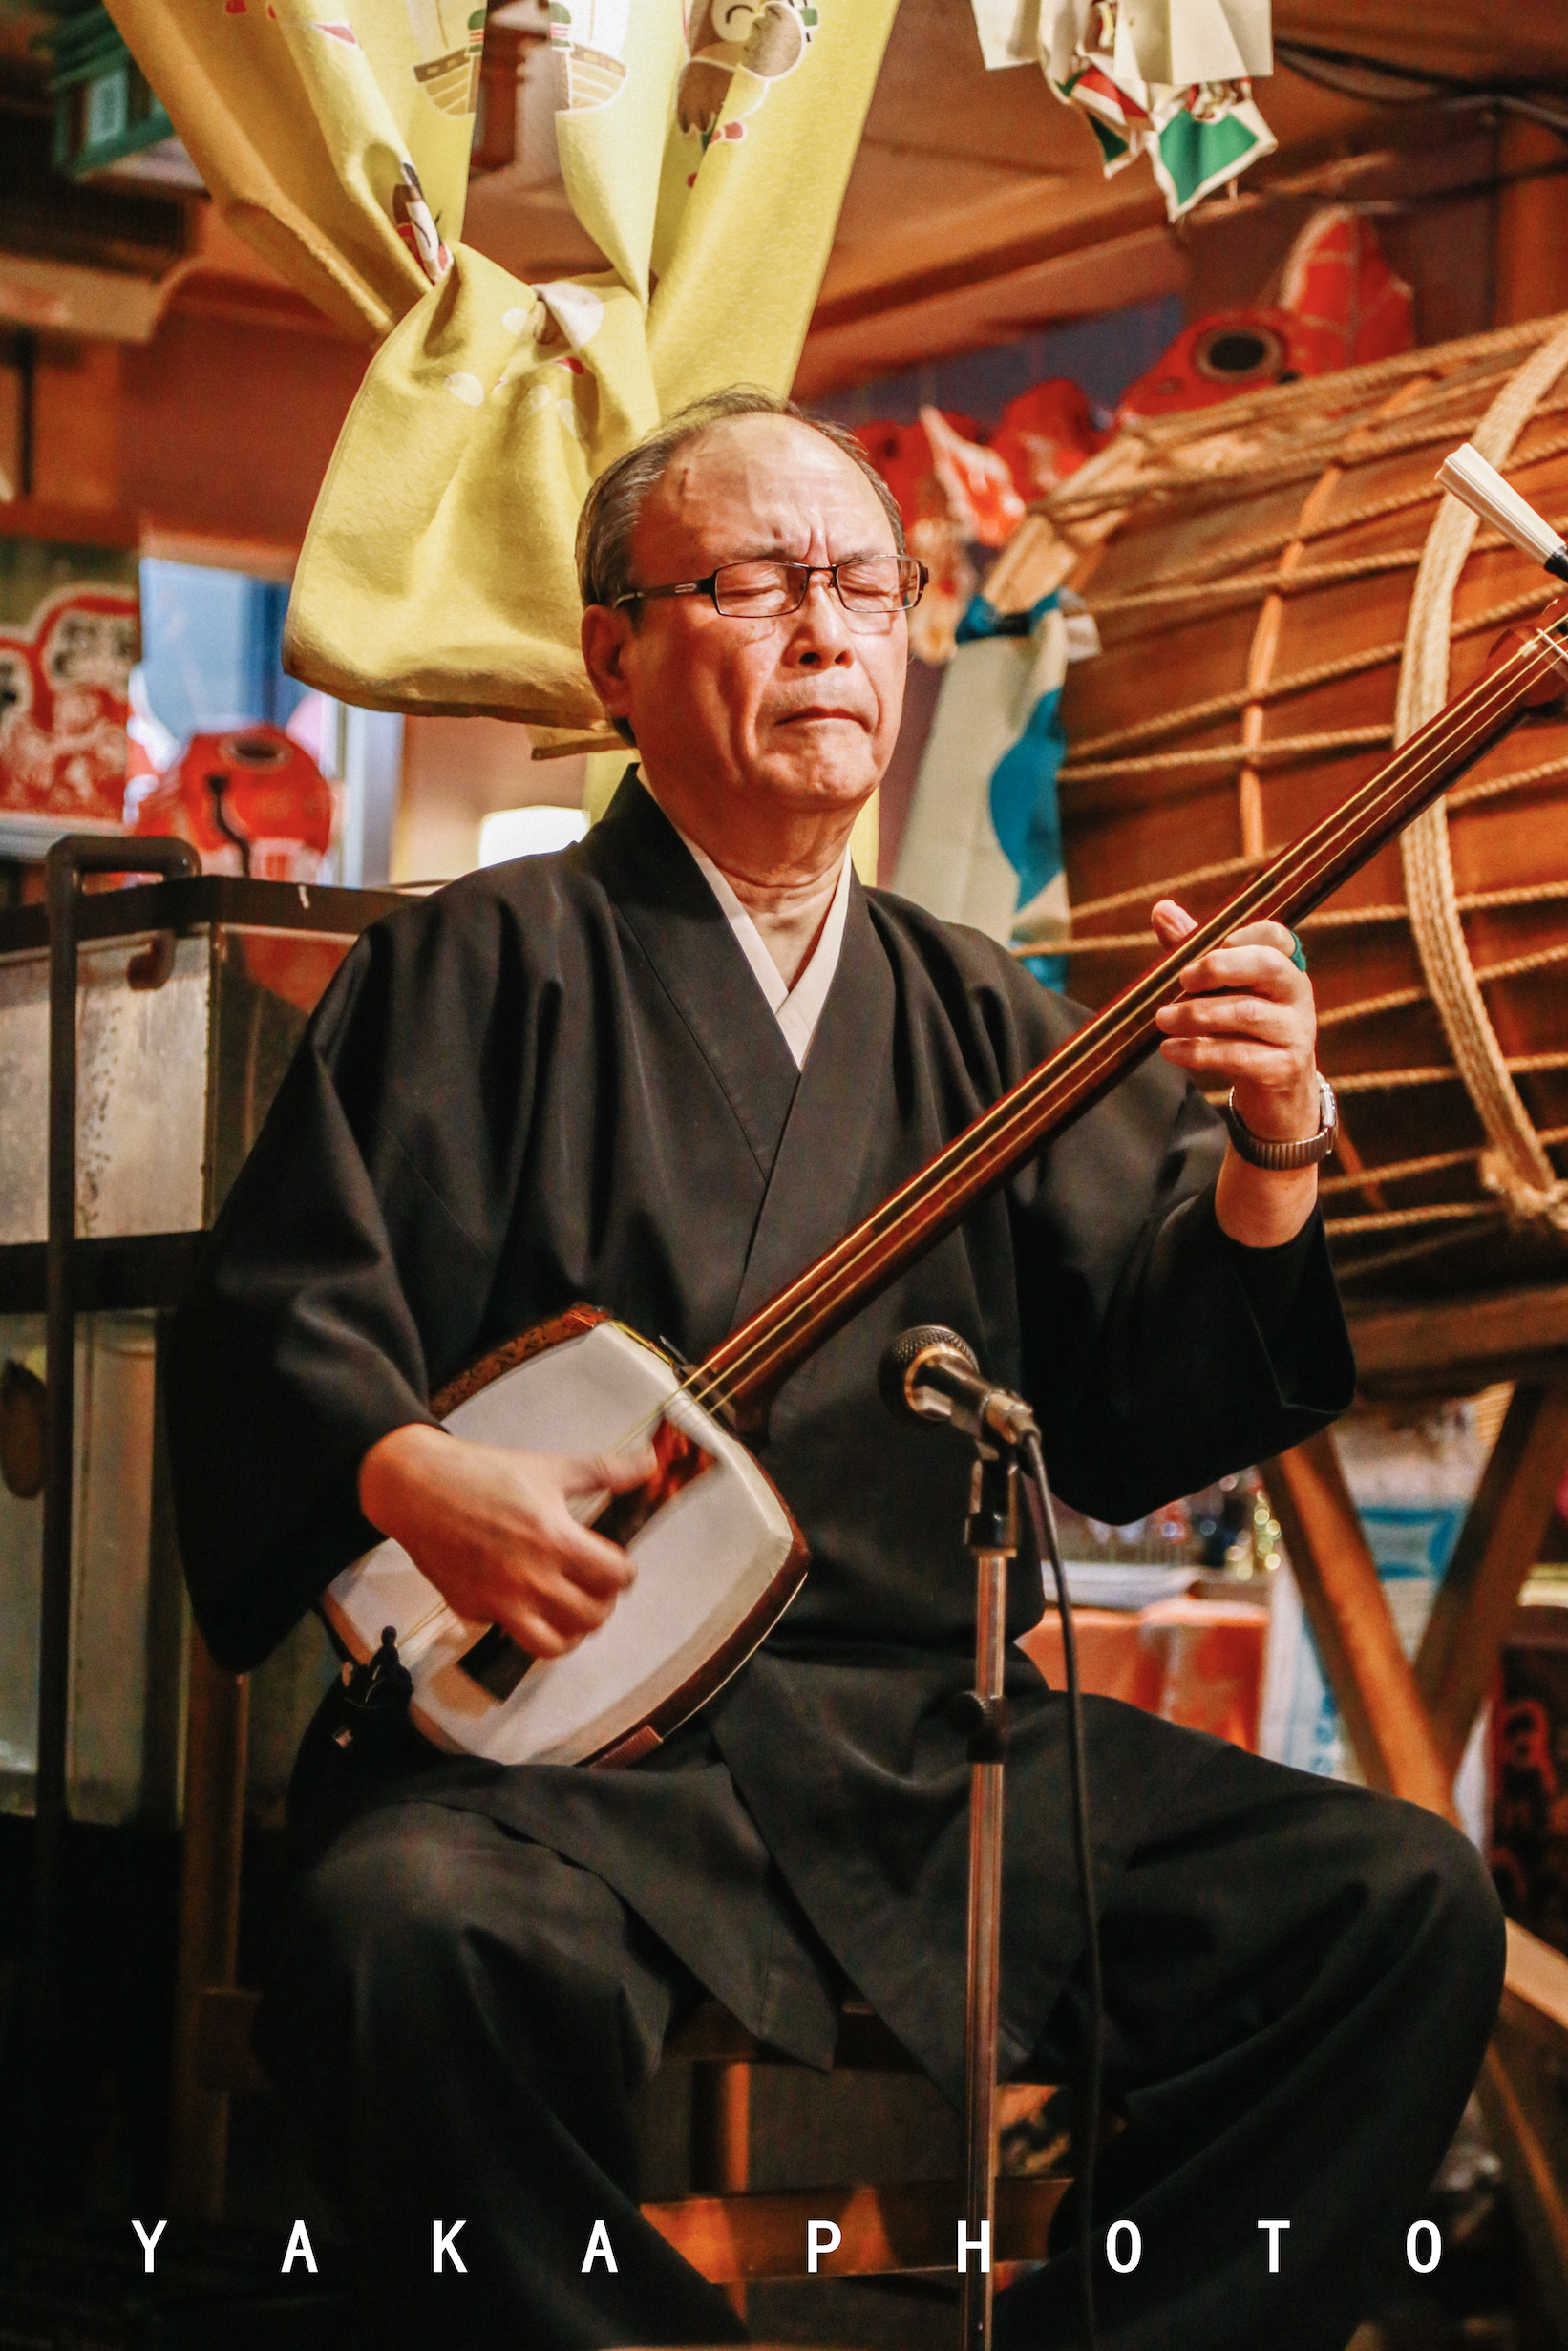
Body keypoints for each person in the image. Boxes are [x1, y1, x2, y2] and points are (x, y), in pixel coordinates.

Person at [165, 387, 1504, 2351]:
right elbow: (289, 1312)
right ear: (614, 655)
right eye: (758, 584)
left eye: (867, 589)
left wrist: (1274, 1158)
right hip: (580, 1764)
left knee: (1393, 1909)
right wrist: (405, 1471)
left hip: (922, 1747)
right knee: (405, 1938)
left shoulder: (979, 1008)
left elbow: (1134, 1414)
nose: (827, 632)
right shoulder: (480, 961)